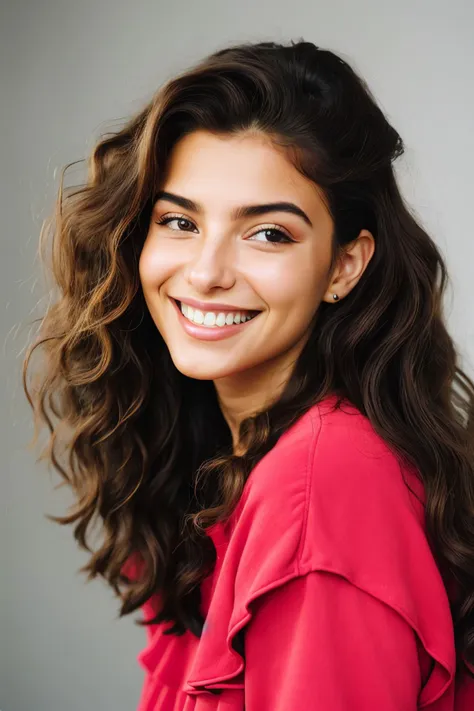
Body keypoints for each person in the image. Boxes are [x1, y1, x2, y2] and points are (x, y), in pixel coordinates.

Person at [22, 39, 474, 710]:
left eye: (267, 234)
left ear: (345, 265)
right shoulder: (228, 461)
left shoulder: (322, 489)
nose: (206, 273)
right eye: (179, 221)